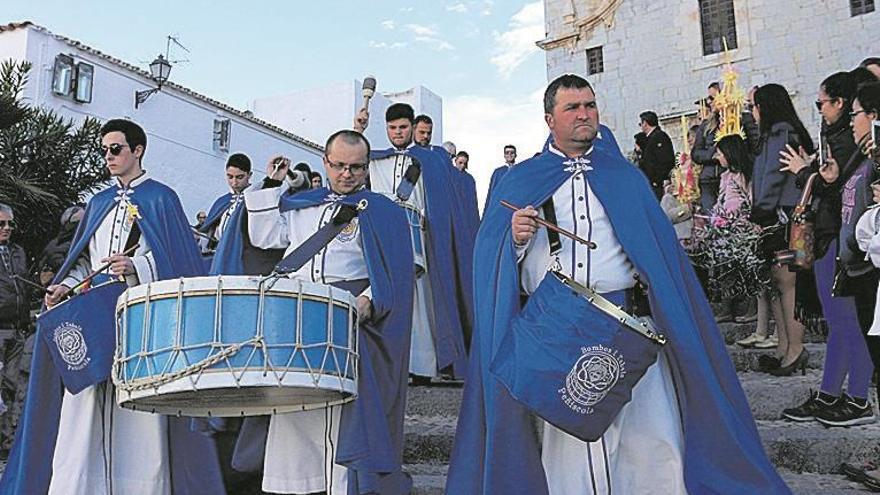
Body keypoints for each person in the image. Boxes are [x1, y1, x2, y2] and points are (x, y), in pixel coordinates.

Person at [446, 73, 788, 495]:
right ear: (549, 118)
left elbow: (658, 255)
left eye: (589, 106)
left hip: (629, 324)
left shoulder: (624, 177)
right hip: (561, 329)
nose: (584, 115)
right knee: (575, 454)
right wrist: (514, 240)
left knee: (653, 444)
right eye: (573, 108)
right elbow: (491, 261)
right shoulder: (520, 180)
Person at [0, 119, 224, 494]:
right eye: (104, 150)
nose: (108, 156)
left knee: (136, 407)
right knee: (85, 399)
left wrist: (136, 266)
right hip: (94, 315)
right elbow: (86, 263)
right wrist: (64, 287)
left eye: (115, 149)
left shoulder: (161, 199)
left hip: (141, 316)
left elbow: (181, 264)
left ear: (137, 150)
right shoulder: (98, 203)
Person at [244, 129, 414, 494]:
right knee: (294, 409)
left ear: (367, 168)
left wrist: (369, 300)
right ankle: (292, 486)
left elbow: (395, 272)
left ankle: (340, 487)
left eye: (355, 167)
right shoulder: (302, 203)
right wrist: (271, 184)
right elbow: (264, 238)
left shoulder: (383, 211)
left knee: (339, 414)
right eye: (339, 166)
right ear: (325, 162)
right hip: (297, 319)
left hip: (346, 320)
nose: (346, 174)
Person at [777, 72, 875, 425]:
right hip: (830, 237)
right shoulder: (841, 139)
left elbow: (839, 191)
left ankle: (859, 397)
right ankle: (831, 393)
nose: (820, 112)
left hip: (839, 238)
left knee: (845, 322)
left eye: (822, 104)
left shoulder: (853, 145)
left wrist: (806, 173)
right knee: (839, 323)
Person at [357, 103, 472, 384]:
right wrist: (357, 128)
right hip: (383, 233)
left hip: (419, 235)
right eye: (392, 128)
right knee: (385, 293)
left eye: (403, 127)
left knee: (421, 300)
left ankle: (420, 365)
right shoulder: (374, 160)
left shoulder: (430, 160)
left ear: (412, 127)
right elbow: (347, 164)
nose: (398, 132)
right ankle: (390, 363)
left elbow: (443, 202)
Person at [749, 83, 816, 378]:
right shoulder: (775, 134)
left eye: (754, 106)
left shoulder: (781, 133)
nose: (752, 113)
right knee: (777, 283)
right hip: (776, 215)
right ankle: (783, 347)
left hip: (785, 215)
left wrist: (760, 208)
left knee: (788, 283)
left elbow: (773, 176)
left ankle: (795, 348)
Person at [635, 111, 675, 199]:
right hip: (651, 182)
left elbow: (665, 160)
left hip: (657, 183)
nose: (641, 126)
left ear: (645, 123)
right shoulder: (649, 138)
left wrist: (660, 179)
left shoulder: (659, 137)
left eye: (640, 123)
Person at [486, 144, 517, 211]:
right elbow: (493, 192)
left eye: (512, 153)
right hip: (500, 204)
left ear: (515, 155)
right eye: (507, 153)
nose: (509, 154)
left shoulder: (519, 170)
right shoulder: (498, 172)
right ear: (504, 155)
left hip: (515, 203)